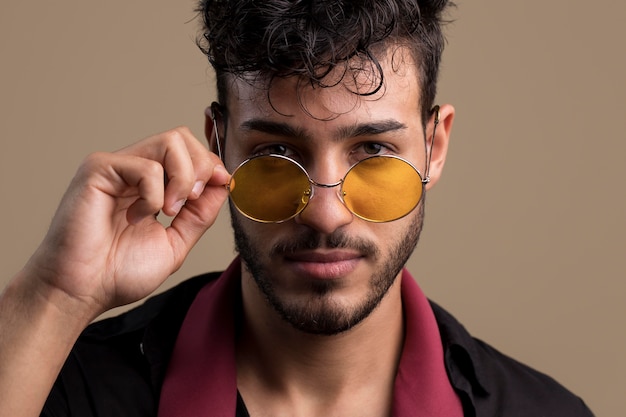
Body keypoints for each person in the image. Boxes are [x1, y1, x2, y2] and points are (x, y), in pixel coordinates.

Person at [0, 1, 595, 416]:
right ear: (219, 143)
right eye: (277, 151)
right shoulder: (64, 388)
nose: (326, 215)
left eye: (373, 150)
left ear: (434, 148)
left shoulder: (545, 413)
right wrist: (55, 297)